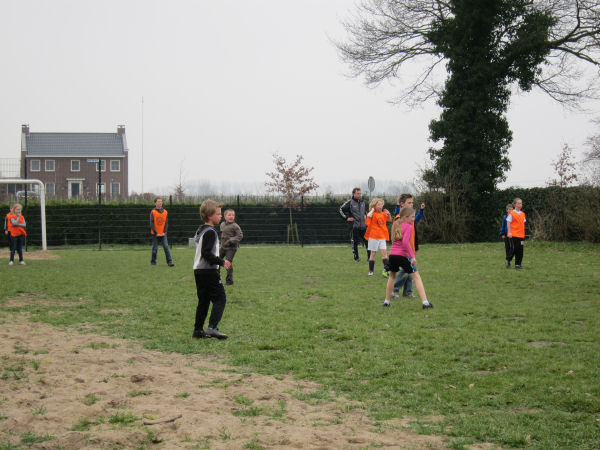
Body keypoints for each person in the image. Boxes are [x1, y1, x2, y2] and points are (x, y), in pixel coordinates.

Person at [192, 199, 232, 340]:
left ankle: (198, 330)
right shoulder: (211, 232)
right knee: (220, 298)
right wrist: (221, 261)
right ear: (210, 216)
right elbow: (206, 253)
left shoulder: (201, 230)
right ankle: (212, 327)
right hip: (208, 271)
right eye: (218, 214)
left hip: (198, 270)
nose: (220, 216)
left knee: (203, 301)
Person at [383, 207, 433, 309]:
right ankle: (425, 303)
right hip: (403, 256)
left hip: (392, 255)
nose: (413, 219)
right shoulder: (409, 227)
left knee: (392, 277)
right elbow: (405, 243)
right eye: (412, 217)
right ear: (405, 217)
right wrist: (412, 256)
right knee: (417, 277)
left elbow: (394, 241)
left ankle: (386, 302)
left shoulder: (396, 224)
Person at [392, 194, 425, 298]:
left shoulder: (411, 218)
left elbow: (413, 235)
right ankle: (394, 290)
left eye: (412, 203)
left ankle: (408, 292)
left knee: (411, 270)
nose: (411, 205)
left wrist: (415, 247)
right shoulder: (399, 218)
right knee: (407, 270)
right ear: (402, 204)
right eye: (409, 203)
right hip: (403, 250)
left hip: (410, 248)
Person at [339, 188, 368, 262]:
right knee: (355, 243)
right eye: (358, 193)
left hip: (363, 226)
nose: (359, 195)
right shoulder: (350, 202)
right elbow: (341, 210)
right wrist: (346, 218)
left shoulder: (363, 202)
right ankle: (356, 258)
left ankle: (369, 258)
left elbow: (364, 211)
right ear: (353, 194)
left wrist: (366, 215)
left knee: (367, 242)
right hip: (354, 226)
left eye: (360, 193)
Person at [364, 198, 392, 276]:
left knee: (384, 253)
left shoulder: (383, 214)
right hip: (373, 237)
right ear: (374, 206)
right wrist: (372, 210)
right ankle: (371, 271)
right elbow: (368, 216)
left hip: (382, 237)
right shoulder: (372, 214)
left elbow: (389, 220)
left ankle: (387, 270)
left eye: (381, 204)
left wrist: (389, 214)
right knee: (373, 253)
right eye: (378, 205)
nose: (380, 206)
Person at [219, 208, 243, 286]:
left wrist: (230, 240)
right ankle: (216, 279)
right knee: (217, 261)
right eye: (229, 215)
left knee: (227, 263)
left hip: (231, 248)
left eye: (233, 215)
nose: (231, 216)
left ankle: (229, 281)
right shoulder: (222, 224)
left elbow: (240, 236)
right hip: (223, 247)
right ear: (225, 216)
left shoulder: (235, 226)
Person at [149, 197, 174, 267]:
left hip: (163, 234)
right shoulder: (153, 212)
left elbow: (166, 223)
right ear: (155, 203)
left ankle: (169, 262)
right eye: (158, 201)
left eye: (161, 201)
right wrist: (156, 233)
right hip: (155, 234)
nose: (160, 203)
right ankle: (153, 262)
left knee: (166, 246)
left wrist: (164, 232)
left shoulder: (165, 212)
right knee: (155, 248)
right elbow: (151, 223)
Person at [506, 197, 526, 269]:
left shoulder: (523, 214)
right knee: (514, 249)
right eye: (518, 203)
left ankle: (518, 264)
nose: (520, 205)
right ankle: (508, 260)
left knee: (520, 250)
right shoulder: (512, 213)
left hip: (521, 236)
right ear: (514, 204)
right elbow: (508, 223)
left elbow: (522, 224)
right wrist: (509, 232)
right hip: (513, 235)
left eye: (521, 203)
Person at [499, 203, 514, 268]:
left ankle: (508, 259)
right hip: (505, 234)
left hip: (512, 234)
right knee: (507, 247)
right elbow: (503, 225)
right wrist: (502, 233)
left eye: (512, 209)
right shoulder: (505, 217)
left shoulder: (514, 216)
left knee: (512, 247)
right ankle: (508, 262)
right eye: (509, 209)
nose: (511, 210)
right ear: (507, 210)